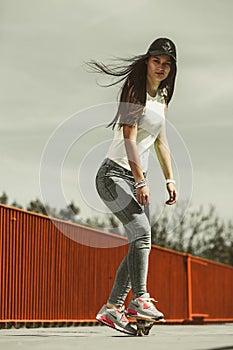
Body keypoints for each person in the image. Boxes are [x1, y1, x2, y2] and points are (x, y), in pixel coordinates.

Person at [91, 38, 178, 335]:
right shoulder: (134, 92)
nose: (161, 67)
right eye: (157, 61)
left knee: (140, 241)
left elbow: (161, 142)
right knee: (142, 234)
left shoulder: (161, 99)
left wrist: (169, 179)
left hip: (136, 178)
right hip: (113, 175)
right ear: (147, 62)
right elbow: (129, 139)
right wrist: (140, 179)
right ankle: (139, 299)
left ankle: (113, 308)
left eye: (167, 64)